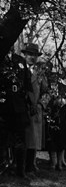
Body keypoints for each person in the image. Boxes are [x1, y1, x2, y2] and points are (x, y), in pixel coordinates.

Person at [0, 48, 33, 178]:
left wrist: (32, 103)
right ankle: (3, 167)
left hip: (19, 107)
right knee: (1, 139)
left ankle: (20, 170)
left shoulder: (20, 61)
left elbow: (27, 84)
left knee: (21, 140)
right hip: (3, 105)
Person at [22, 43, 48, 174]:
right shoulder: (19, 70)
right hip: (22, 109)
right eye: (30, 54)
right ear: (25, 55)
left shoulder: (40, 73)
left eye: (35, 55)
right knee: (23, 139)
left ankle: (31, 165)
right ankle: (20, 166)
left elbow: (46, 92)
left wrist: (41, 104)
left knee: (34, 139)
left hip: (35, 110)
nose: (32, 57)